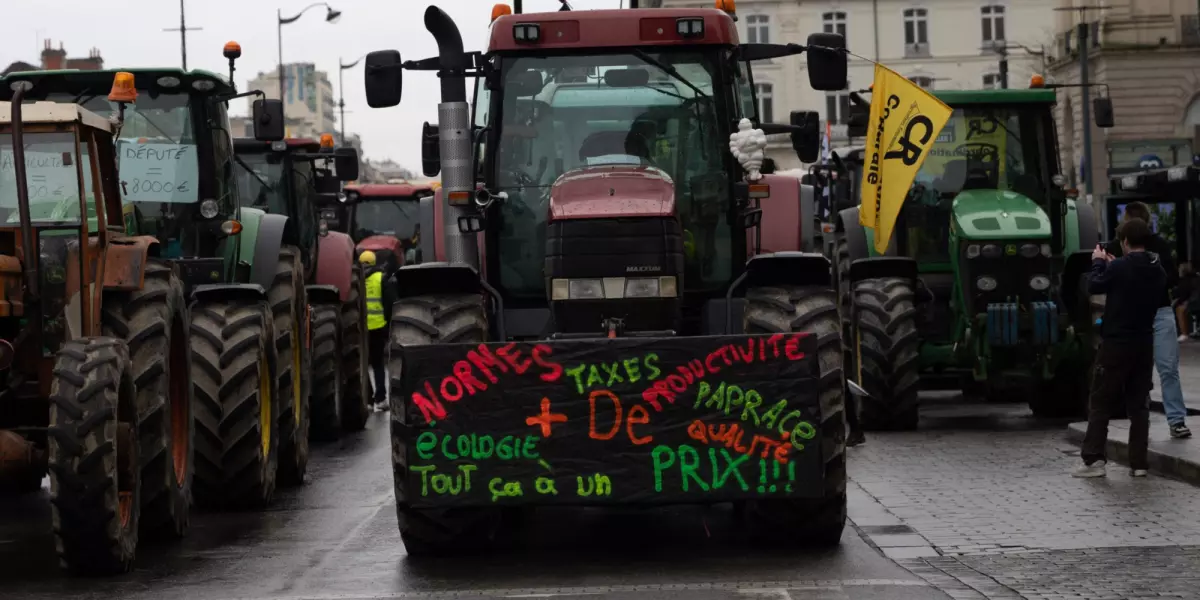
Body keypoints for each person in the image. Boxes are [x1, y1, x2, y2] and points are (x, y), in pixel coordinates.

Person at [1077, 218, 1166, 478]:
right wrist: (1115, 265)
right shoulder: (1157, 269)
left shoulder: (1119, 268)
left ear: (1125, 241)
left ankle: (1094, 460)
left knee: (1101, 400)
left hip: (1116, 343)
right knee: (1139, 405)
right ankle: (1138, 463)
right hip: (1144, 343)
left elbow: (1093, 285)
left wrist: (1098, 262)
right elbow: (1136, 281)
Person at [1106, 202, 1190, 438]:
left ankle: (1175, 419)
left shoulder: (1157, 246)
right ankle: (1142, 420)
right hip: (1148, 312)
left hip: (1156, 312)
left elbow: (1172, 277)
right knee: (1143, 370)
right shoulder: (1117, 245)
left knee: (1167, 367)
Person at [361, 250, 395, 411]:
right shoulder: (381, 278)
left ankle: (367, 401)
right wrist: (389, 325)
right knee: (378, 364)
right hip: (378, 327)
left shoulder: (357, 279)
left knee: (363, 365)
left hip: (361, 330)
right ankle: (380, 399)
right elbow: (389, 303)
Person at [1175, 262, 1197, 340]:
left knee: (1179, 309)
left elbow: (1183, 294)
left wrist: (1177, 302)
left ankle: (1184, 333)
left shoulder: (1185, 280)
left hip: (1195, 302)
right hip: (1194, 300)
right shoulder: (1195, 278)